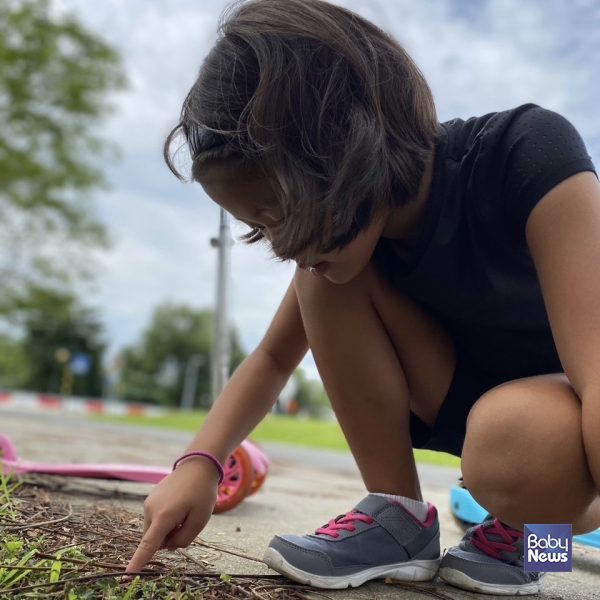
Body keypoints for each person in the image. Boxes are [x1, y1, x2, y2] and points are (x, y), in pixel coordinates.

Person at [126, 0, 600, 594]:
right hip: (466, 406)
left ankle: (534, 546)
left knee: (517, 445)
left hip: (563, 453)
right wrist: (199, 465)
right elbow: (273, 359)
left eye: (280, 215)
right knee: (323, 281)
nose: (283, 246)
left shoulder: (528, 154)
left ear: (344, 151)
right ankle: (397, 517)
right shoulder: (343, 249)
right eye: (261, 228)